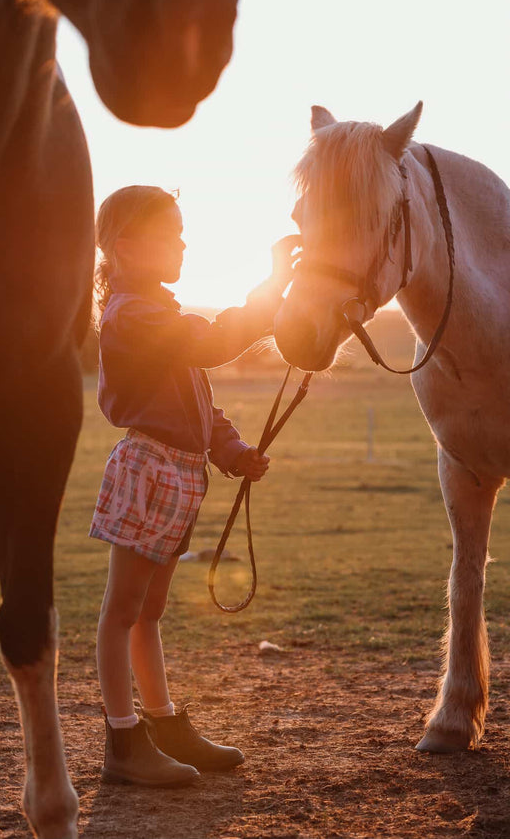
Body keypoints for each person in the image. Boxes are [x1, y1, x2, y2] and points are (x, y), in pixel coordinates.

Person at [90, 185, 297, 787]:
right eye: (170, 234)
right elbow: (211, 344)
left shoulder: (156, 313)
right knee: (122, 610)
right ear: (126, 247)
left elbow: (200, 404)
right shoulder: (133, 316)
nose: (183, 243)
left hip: (181, 473)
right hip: (150, 468)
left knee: (148, 611)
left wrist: (233, 452)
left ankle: (163, 724)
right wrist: (271, 287)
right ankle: (123, 741)